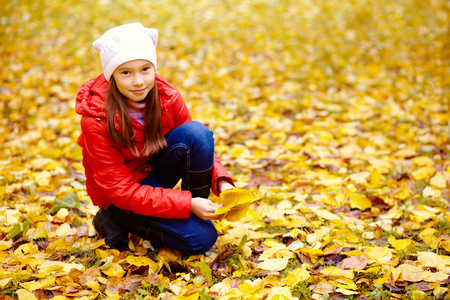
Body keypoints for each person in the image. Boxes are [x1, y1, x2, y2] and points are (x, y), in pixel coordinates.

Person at [75, 22, 235, 255]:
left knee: (197, 132)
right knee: (200, 240)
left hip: (152, 170)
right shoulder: (97, 119)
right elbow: (121, 191)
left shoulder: (167, 97)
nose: (138, 81)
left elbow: (197, 144)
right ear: (112, 75)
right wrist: (187, 203)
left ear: (154, 68)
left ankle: (195, 216)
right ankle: (111, 218)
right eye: (126, 72)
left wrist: (221, 180)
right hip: (120, 196)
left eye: (145, 69)